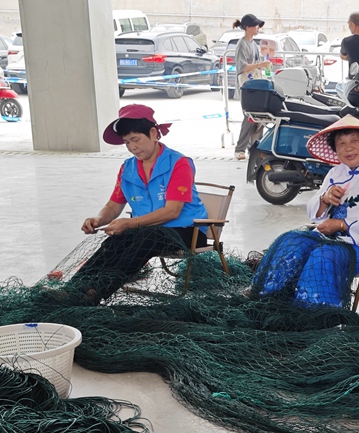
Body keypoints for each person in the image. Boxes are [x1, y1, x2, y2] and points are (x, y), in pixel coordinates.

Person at [63, 105, 208, 304]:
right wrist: (97, 219)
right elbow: (113, 206)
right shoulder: (127, 168)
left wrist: (131, 223)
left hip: (187, 232)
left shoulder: (179, 163)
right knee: (116, 240)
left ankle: (95, 293)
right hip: (146, 230)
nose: (132, 147)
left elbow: (172, 211)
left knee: (145, 234)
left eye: (136, 139)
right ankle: (73, 288)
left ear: (153, 133)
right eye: (126, 142)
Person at [251, 116, 359, 307]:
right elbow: (313, 213)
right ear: (336, 150)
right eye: (341, 144)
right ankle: (266, 297)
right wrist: (324, 199)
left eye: (355, 141)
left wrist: (340, 224)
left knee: (323, 255)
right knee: (292, 241)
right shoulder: (335, 173)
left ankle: (316, 312)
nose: (348, 148)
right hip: (331, 241)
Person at [232, 13, 270, 160]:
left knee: (257, 117)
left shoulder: (253, 44)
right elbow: (242, 67)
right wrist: (260, 65)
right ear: (247, 27)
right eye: (255, 25)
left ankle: (255, 148)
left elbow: (256, 66)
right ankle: (240, 149)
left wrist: (263, 67)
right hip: (246, 86)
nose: (258, 28)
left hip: (254, 84)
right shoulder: (242, 45)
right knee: (249, 116)